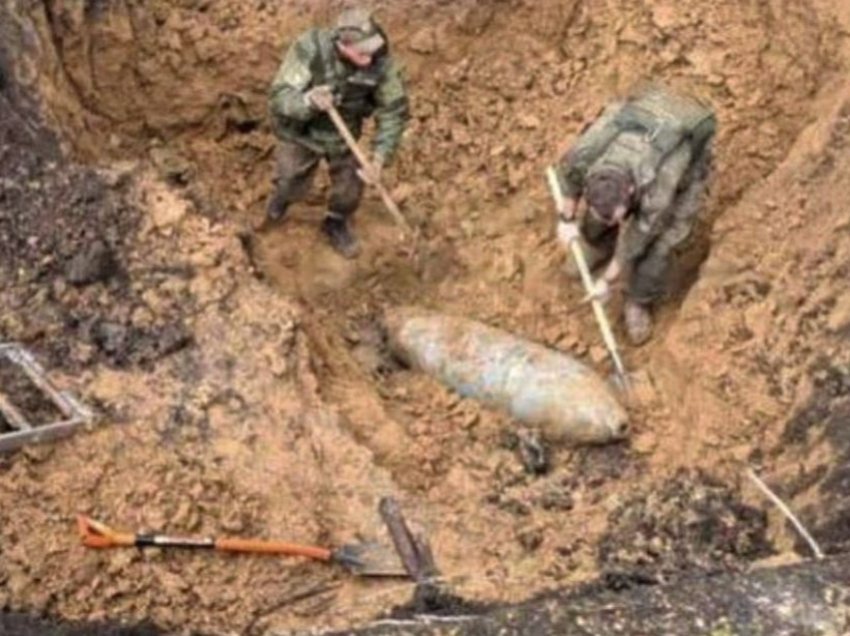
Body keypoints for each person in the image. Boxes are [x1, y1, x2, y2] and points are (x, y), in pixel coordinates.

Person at [553, 84, 716, 345]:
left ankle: (639, 299)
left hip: (684, 137)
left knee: (664, 242)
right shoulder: (587, 154)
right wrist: (566, 219)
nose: (618, 223)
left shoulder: (658, 188)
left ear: (630, 190)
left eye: (619, 218)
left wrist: (607, 281)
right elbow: (570, 179)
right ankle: (595, 244)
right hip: (646, 112)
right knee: (599, 217)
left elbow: (639, 235)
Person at [262, 7, 409, 258]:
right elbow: (280, 96)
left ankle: (336, 222)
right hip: (302, 132)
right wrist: (308, 101)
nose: (370, 58)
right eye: (362, 52)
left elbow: (393, 111)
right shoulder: (312, 48)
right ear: (343, 44)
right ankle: (278, 206)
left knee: (350, 189)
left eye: (372, 50)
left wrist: (380, 157)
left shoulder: (380, 60)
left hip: (344, 136)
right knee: (289, 180)